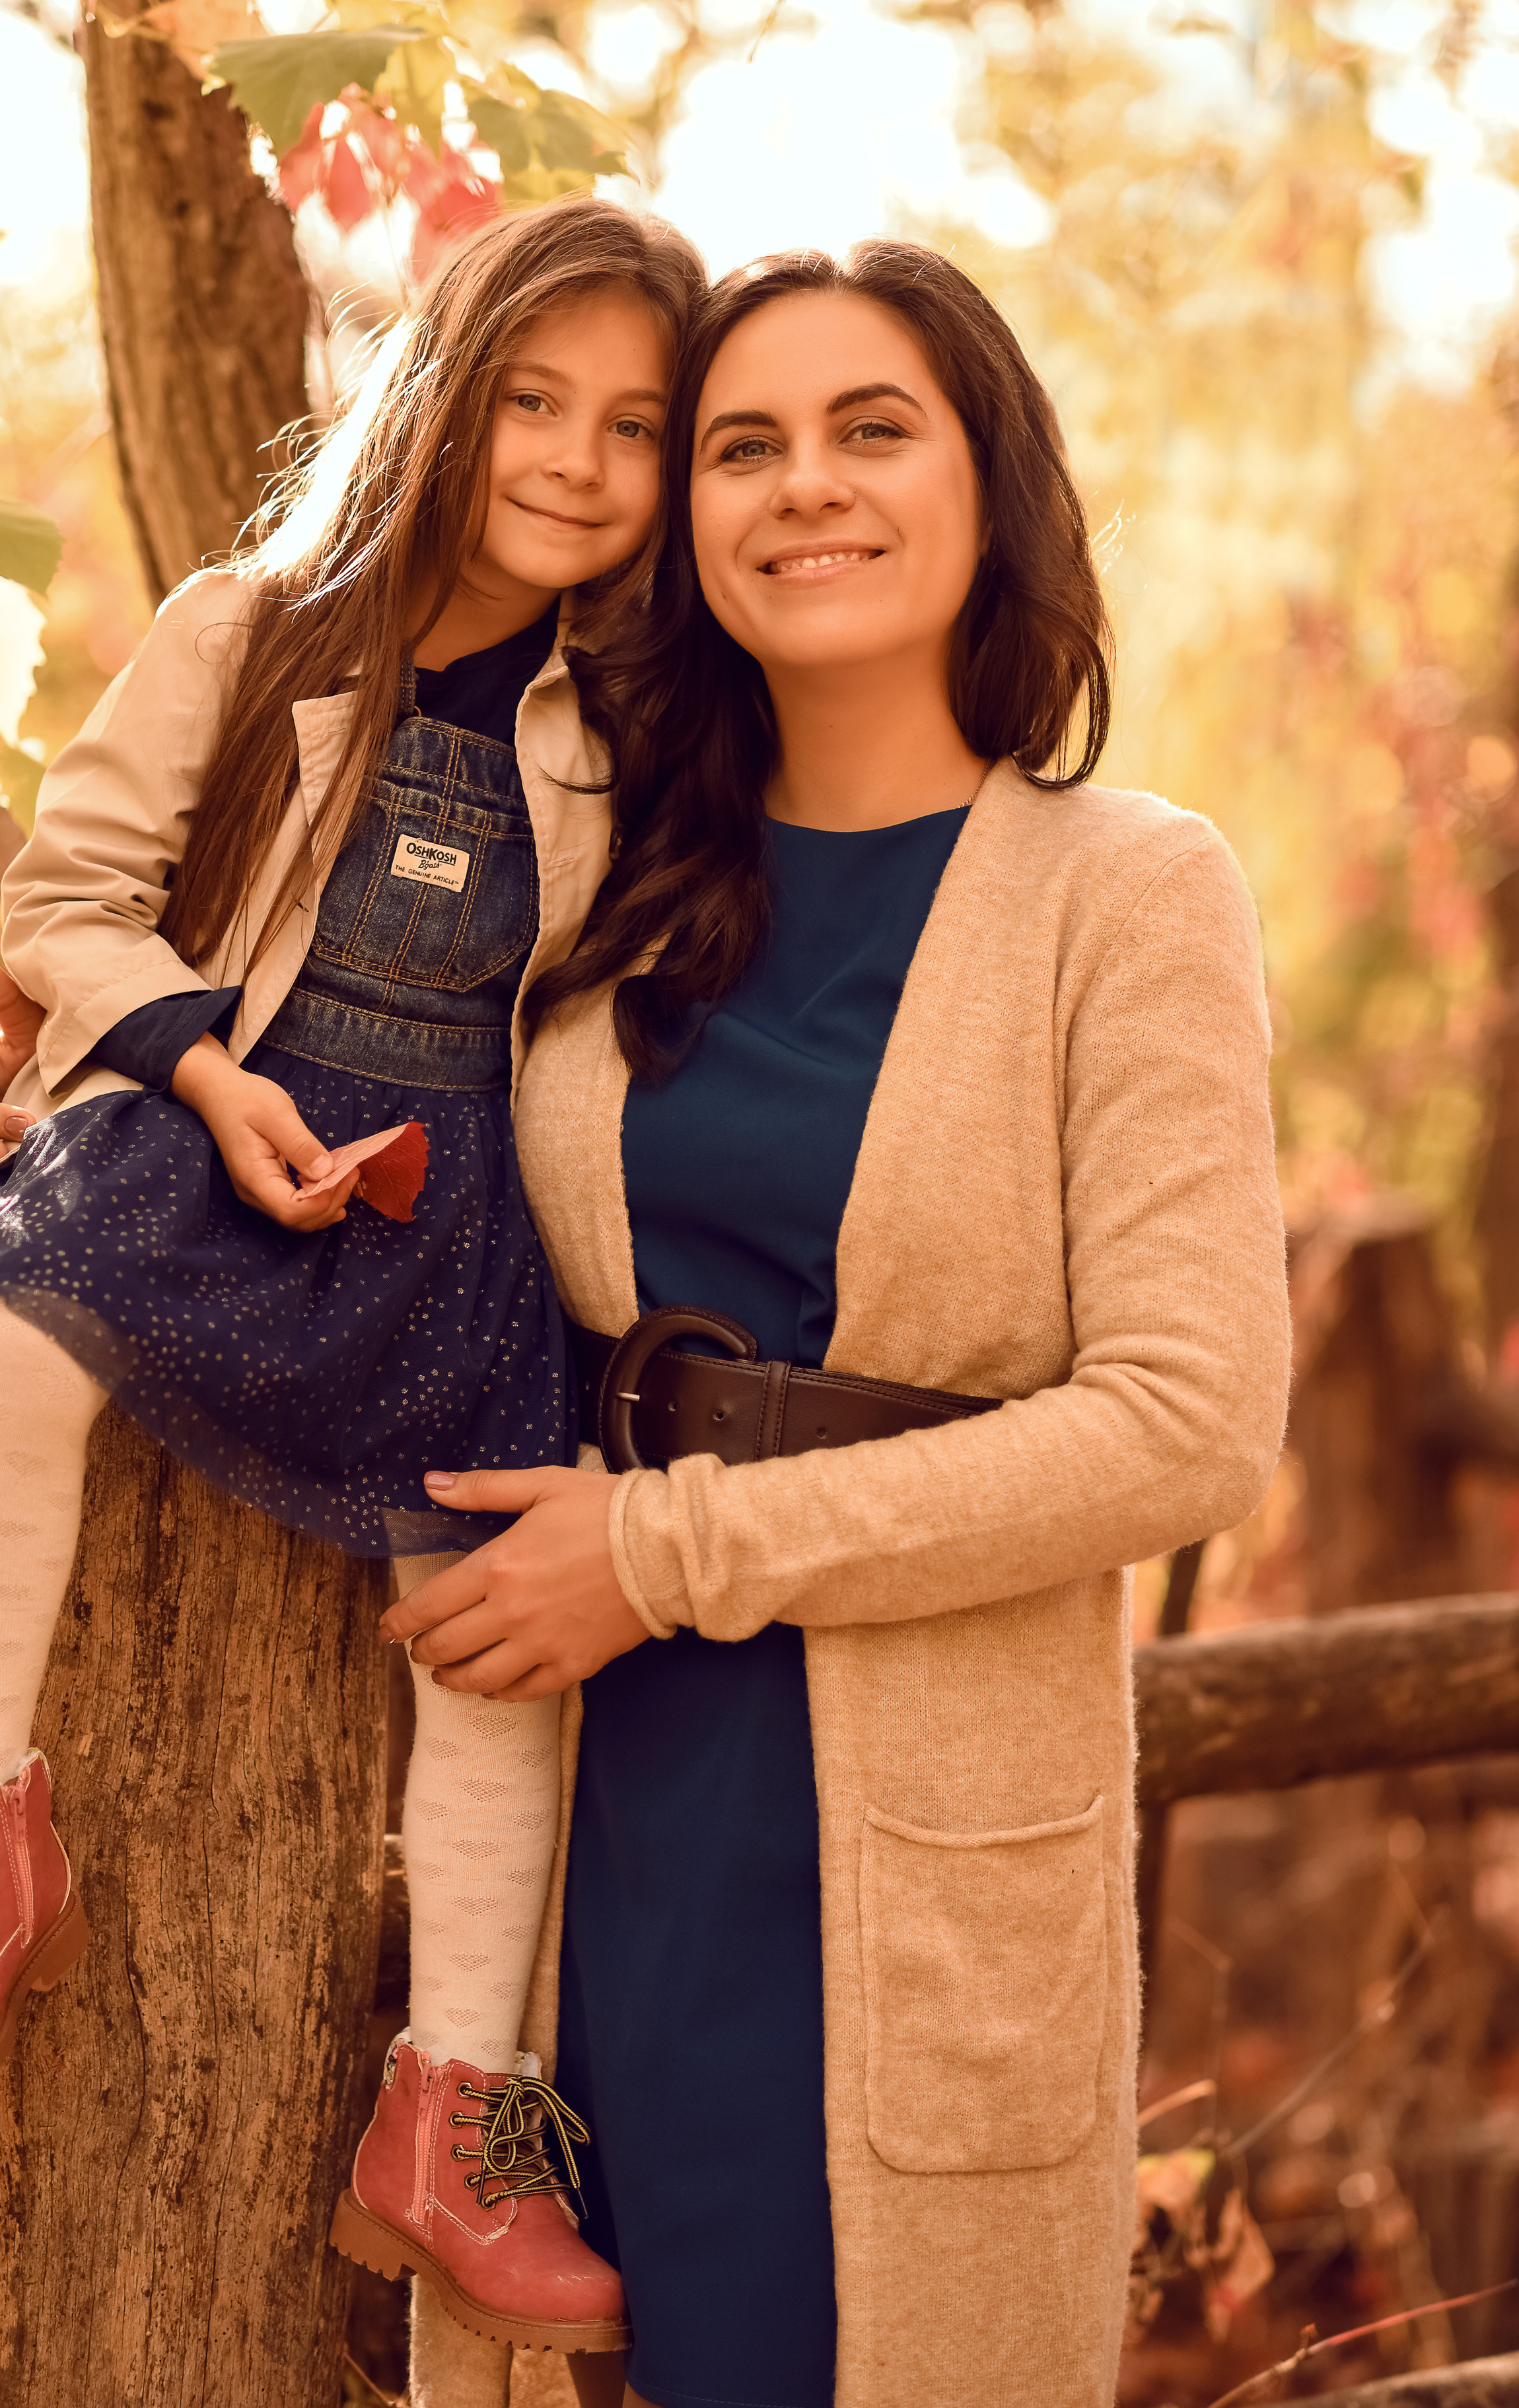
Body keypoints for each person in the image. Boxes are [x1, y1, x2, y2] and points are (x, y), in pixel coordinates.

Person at [374, 244, 1294, 2408]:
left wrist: (670, 1556)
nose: (808, 487)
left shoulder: (1128, 891)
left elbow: (1186, 1427)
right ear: (685, 520)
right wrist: (51, 1075)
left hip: (920, 1839)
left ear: (989, 484)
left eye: (873, 430)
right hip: (598, 1808)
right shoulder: (598, 862)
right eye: (743, 446)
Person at [0, 196, 704, 2365]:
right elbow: (68, 898)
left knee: (491, 1626)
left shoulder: (652, 733)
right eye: (535, 401)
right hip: (212, 1127)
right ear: (446, 390)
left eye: (636, 426)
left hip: (464, 1224)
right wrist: (202, 1078)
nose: (580, 463)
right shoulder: (257, 633)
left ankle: (460, 2106)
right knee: (21, 1333)